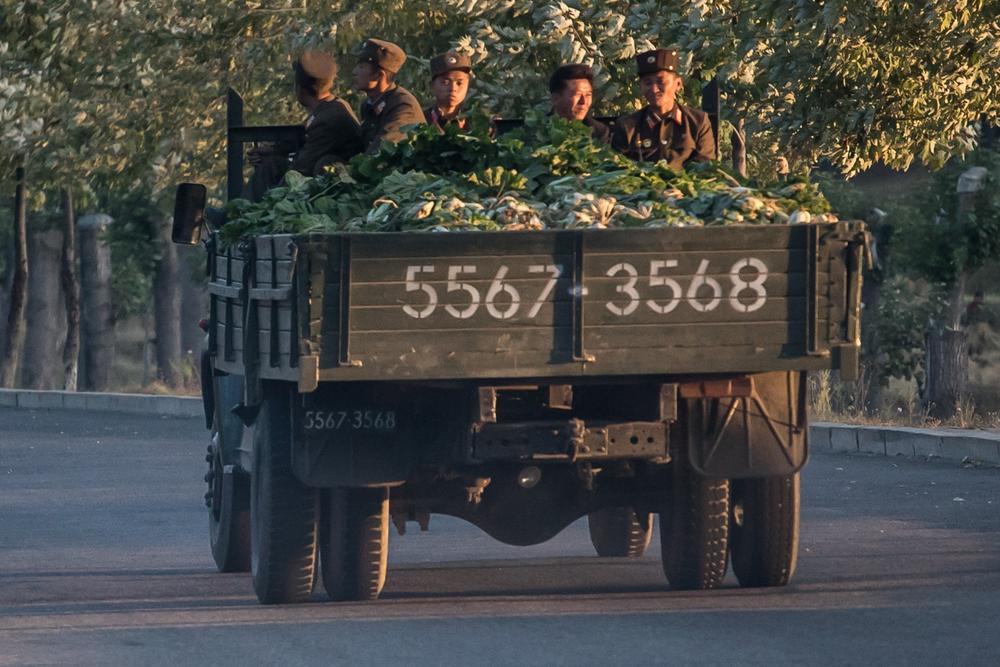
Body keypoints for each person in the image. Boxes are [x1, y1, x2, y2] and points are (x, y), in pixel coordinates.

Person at [245, 50, 362, 201]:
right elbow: (304, 142)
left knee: (277, 171)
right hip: (321, 176)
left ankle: (245, 211)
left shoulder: (329, 118)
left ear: (300, 88)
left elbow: (302, 167)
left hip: (332, 187)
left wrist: (269, 204)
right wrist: (272, 151)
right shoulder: (330, 108)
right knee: (271, 165)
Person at [610, 48, 715, 169]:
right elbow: (618, 170)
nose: (654, 89)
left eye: (661, 81)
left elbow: (705, 168)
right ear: (641, 87)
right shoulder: (628, 126)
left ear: (678, 84)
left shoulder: (697, 122)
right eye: (648, 83)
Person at [352, 38, 426, 154]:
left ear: (379, 75)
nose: (354, 72)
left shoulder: (403, 106)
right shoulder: (369, 104)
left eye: (362, 67)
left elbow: (381, 149)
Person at [549, 63, 610, 143]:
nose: (583, 102)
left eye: (588, 95)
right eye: (577, 94)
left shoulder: (598, 131)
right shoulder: (538, 127)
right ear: (555, 99)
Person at [424, 51, 473, 131]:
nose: (453, 88)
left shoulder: (477, 124)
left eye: (459, 83)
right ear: (432, 85)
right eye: (445, 82)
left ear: (468, 86)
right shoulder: (419, 120)